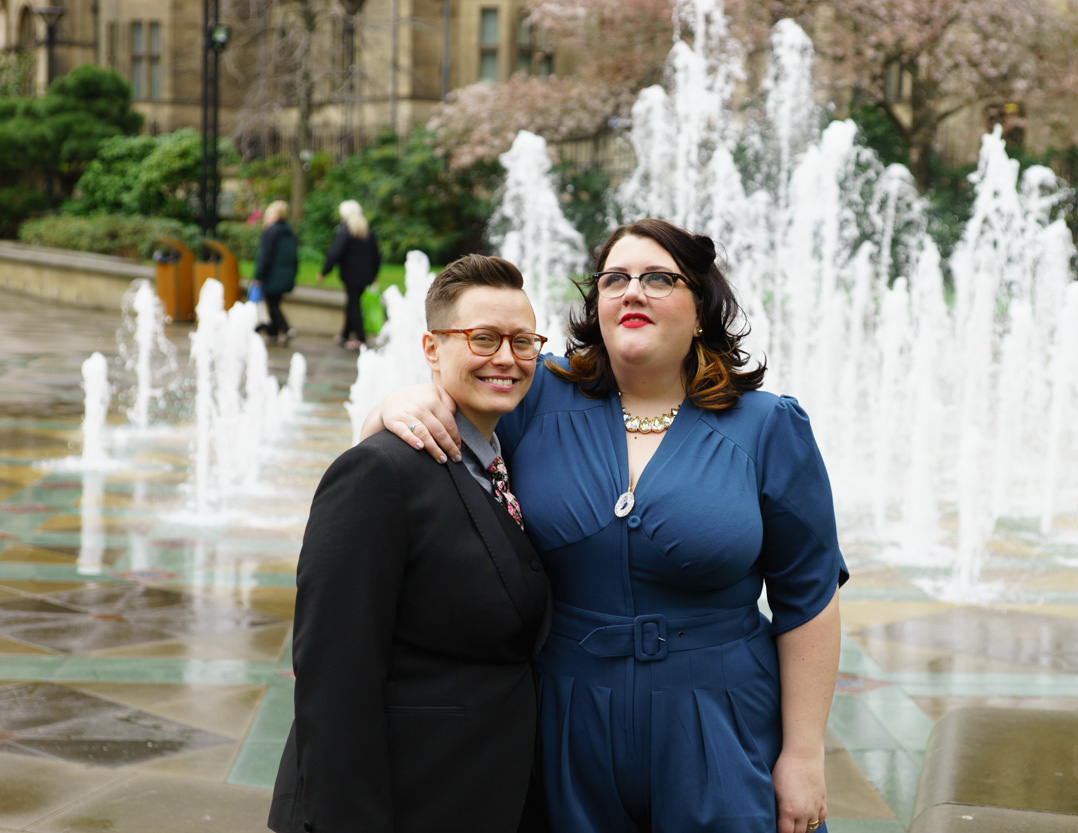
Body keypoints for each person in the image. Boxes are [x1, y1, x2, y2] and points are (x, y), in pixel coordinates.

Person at [361, 219, 848, 833]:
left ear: (701, 309)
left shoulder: (768, 426)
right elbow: (433, 418)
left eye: (658, 278)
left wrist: (803, 756)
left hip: (720, 719)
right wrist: (394, 404)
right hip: (564, 716)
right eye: (615, 278)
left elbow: (809, 599)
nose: (632, 291)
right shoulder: (539, 397)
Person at [268, 254, 552, 833]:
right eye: (483, 338)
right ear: (431, 349)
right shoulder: (378, 474)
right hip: (399, 803)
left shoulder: (511, 459)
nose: (507, 358)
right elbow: (333, 677)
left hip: (480, 795)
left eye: (524, 343)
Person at [316, 199, 381, 351]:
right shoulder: (366, 229)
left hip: (351, 275)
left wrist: (324, 271)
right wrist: (374, 274)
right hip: (365, 276)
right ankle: (344, 335)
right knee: (352, 302)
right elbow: (376, 255)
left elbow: (335, 253)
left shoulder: (346, 230)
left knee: (354, 305)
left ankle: (360, 339)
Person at [251, 200, 298, 346]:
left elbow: (265, 256)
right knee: (274, 302)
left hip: (273, 274)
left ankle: (285, 328)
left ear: (277, 216)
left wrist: (258, 276)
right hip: (285, 274)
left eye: (269, 214)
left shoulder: (271, 231)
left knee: (272, 304)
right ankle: (272, 333)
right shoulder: (288, 231)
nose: (266, 216)